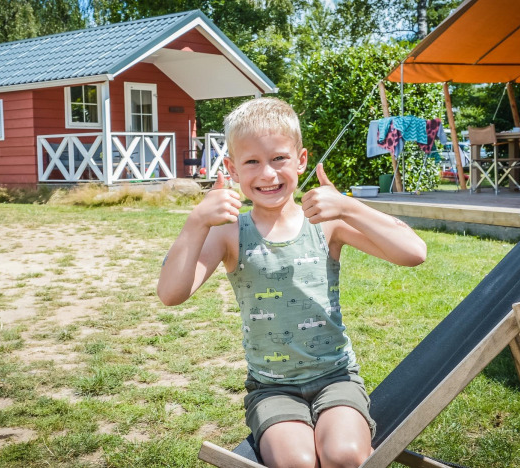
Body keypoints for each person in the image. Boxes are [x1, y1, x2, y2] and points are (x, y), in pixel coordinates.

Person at [157, 97, 426, 468]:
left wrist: (349, 206)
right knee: (296, 463)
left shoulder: (326, 223)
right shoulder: (230, 232)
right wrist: (196, 222)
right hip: (271, 388)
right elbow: (171, 294)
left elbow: (414, 252)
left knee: (344, 456)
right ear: (233, 170)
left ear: (301, 160)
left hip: (337, 378)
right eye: (252, 162)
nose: (267, 174)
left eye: (279, 158)